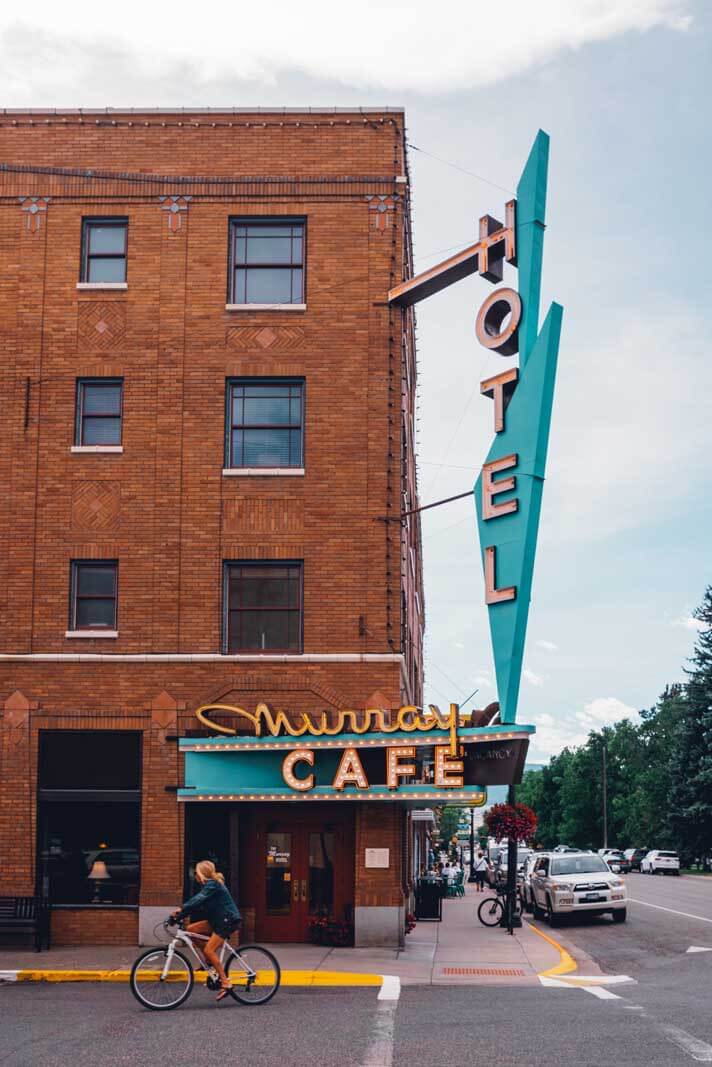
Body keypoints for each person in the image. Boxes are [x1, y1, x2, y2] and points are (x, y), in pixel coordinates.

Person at [172, 859, 242, 1001]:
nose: (195, 875)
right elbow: (196, 904)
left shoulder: (213, 885)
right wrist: (179, 916)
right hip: (217, 920)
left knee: (209, 950)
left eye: (196, 872)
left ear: (202, 874)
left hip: (227, 921)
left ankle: (226, 983)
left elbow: (197, 900)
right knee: (191, 929)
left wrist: (182, 909)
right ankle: (209, 961)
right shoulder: (207, 887)